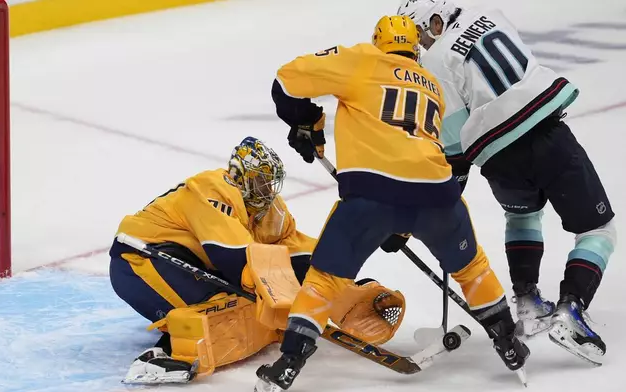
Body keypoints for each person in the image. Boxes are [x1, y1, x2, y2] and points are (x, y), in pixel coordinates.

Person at [255, 15, 529, 392]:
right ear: (414, 48)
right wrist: (402, 223)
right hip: (438, 195)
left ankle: (290, 361)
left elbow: (286, 79)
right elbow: (412, 153)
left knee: (324, 281)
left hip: (371, 196)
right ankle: (508, 340)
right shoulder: (432, 84)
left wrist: (306, 121)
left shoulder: (363, 59)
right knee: (472, 268)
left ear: (378, 40)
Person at [397, 0, 615, 363]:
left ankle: (527, 302)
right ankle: (570, 308)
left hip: (499, 157)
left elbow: (453, 145)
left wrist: (445, 193)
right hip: (548, 136)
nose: (421, 45)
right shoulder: (490, 15)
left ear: (435, 22)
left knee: (522, 217)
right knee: (599, 229)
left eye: (421, 34)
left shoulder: (435, 64)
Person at [109, 136, 405, 384]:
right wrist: (292, 303)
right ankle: (167, 354)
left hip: (192, 261)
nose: (267, 190)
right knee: (234, 309)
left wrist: (336, 281)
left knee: (253, 306)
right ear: (239, 175)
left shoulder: (269, 208)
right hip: (140, 260)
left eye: (270, 183)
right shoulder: (212, 189)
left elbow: (293, 249)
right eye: (260, 181)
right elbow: (238, 262)